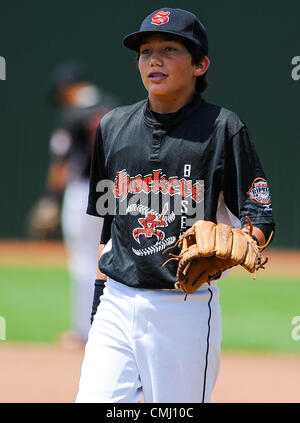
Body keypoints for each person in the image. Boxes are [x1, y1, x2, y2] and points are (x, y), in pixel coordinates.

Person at [76, 8, 275, 402]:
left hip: (183, 305)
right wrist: (98, 307)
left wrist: (237, 241)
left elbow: (261, 215)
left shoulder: (223, 128)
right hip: (116, 301)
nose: (154, 59)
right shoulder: (112, 127)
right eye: (145, 50)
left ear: (200, 64)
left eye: (169, 49)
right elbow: (107, 227)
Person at [34, 61, 117, 347]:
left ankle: (84, 330)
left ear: (69, 88)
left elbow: (61, 164)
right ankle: (110, 329)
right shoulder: (111, 108)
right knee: (107, 257)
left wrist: (50, 200)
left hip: (83, 191)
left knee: (82, 261)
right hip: (112, 191)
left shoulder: (72, 115)